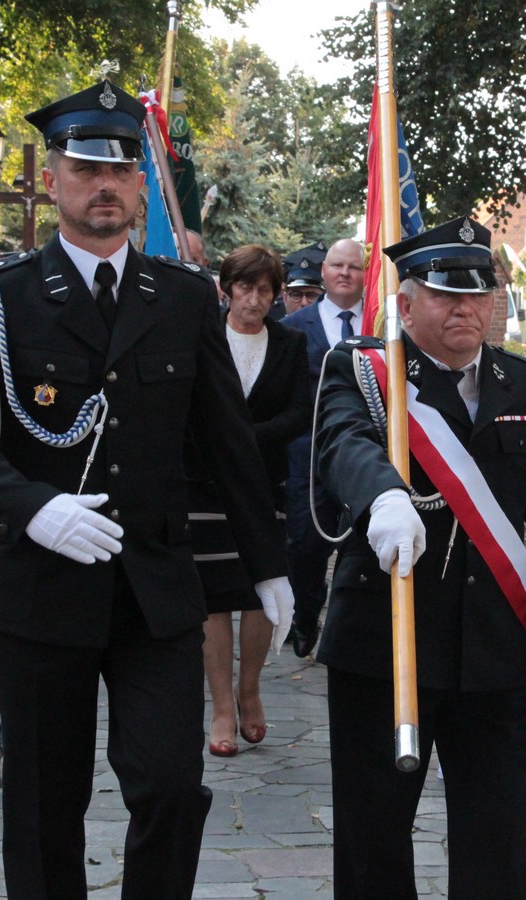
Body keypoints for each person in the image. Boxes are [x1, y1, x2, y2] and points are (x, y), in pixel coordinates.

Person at [0, 78, 294, 899]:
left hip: (155, 587)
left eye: (122, 172)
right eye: (86, 170)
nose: (106, 187)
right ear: (54, 178)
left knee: (169, 785)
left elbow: (226, 442)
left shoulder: (184, 297)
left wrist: (268, 565)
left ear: (140, 187)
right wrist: (34, 507)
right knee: (46, 800)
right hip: (39, 589)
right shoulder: (1, 297)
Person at [312, 216, 526, 898]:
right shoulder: (363, 370)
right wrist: (382, 496)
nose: (465, 307)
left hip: (493, 652)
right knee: (373, 838)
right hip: (387, 645)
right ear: (405, 304)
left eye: (478, 293)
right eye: (444, 294)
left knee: (496, 836)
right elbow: (342, 444)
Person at [189, 243, 310, 757]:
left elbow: (299, 413)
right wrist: (218, 443)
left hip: (264, 483)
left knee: (261, 589)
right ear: (227, 288)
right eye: (245, 288)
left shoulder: (289, 344)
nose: (254, 300)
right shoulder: (201, 337)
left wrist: (244, 439)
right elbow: (182, 406)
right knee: (214, 597)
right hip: (203, 483)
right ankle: (220, 704)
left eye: (265, 290)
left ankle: (250, 689)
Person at [280, 237, 365, 658]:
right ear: (324, 273)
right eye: (337, 266)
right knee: (305, 545)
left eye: (355, 266)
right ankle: (304, 614)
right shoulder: (294, 327)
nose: (345, 273)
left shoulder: (383, 325)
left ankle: (345, 630)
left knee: (358, 547)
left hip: (363, 455)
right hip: (307, 456)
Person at [278, 242, 326, 318]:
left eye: (312, 295)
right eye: (296, 295)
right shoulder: (270, 329)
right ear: (285, 298)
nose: (304, 303)